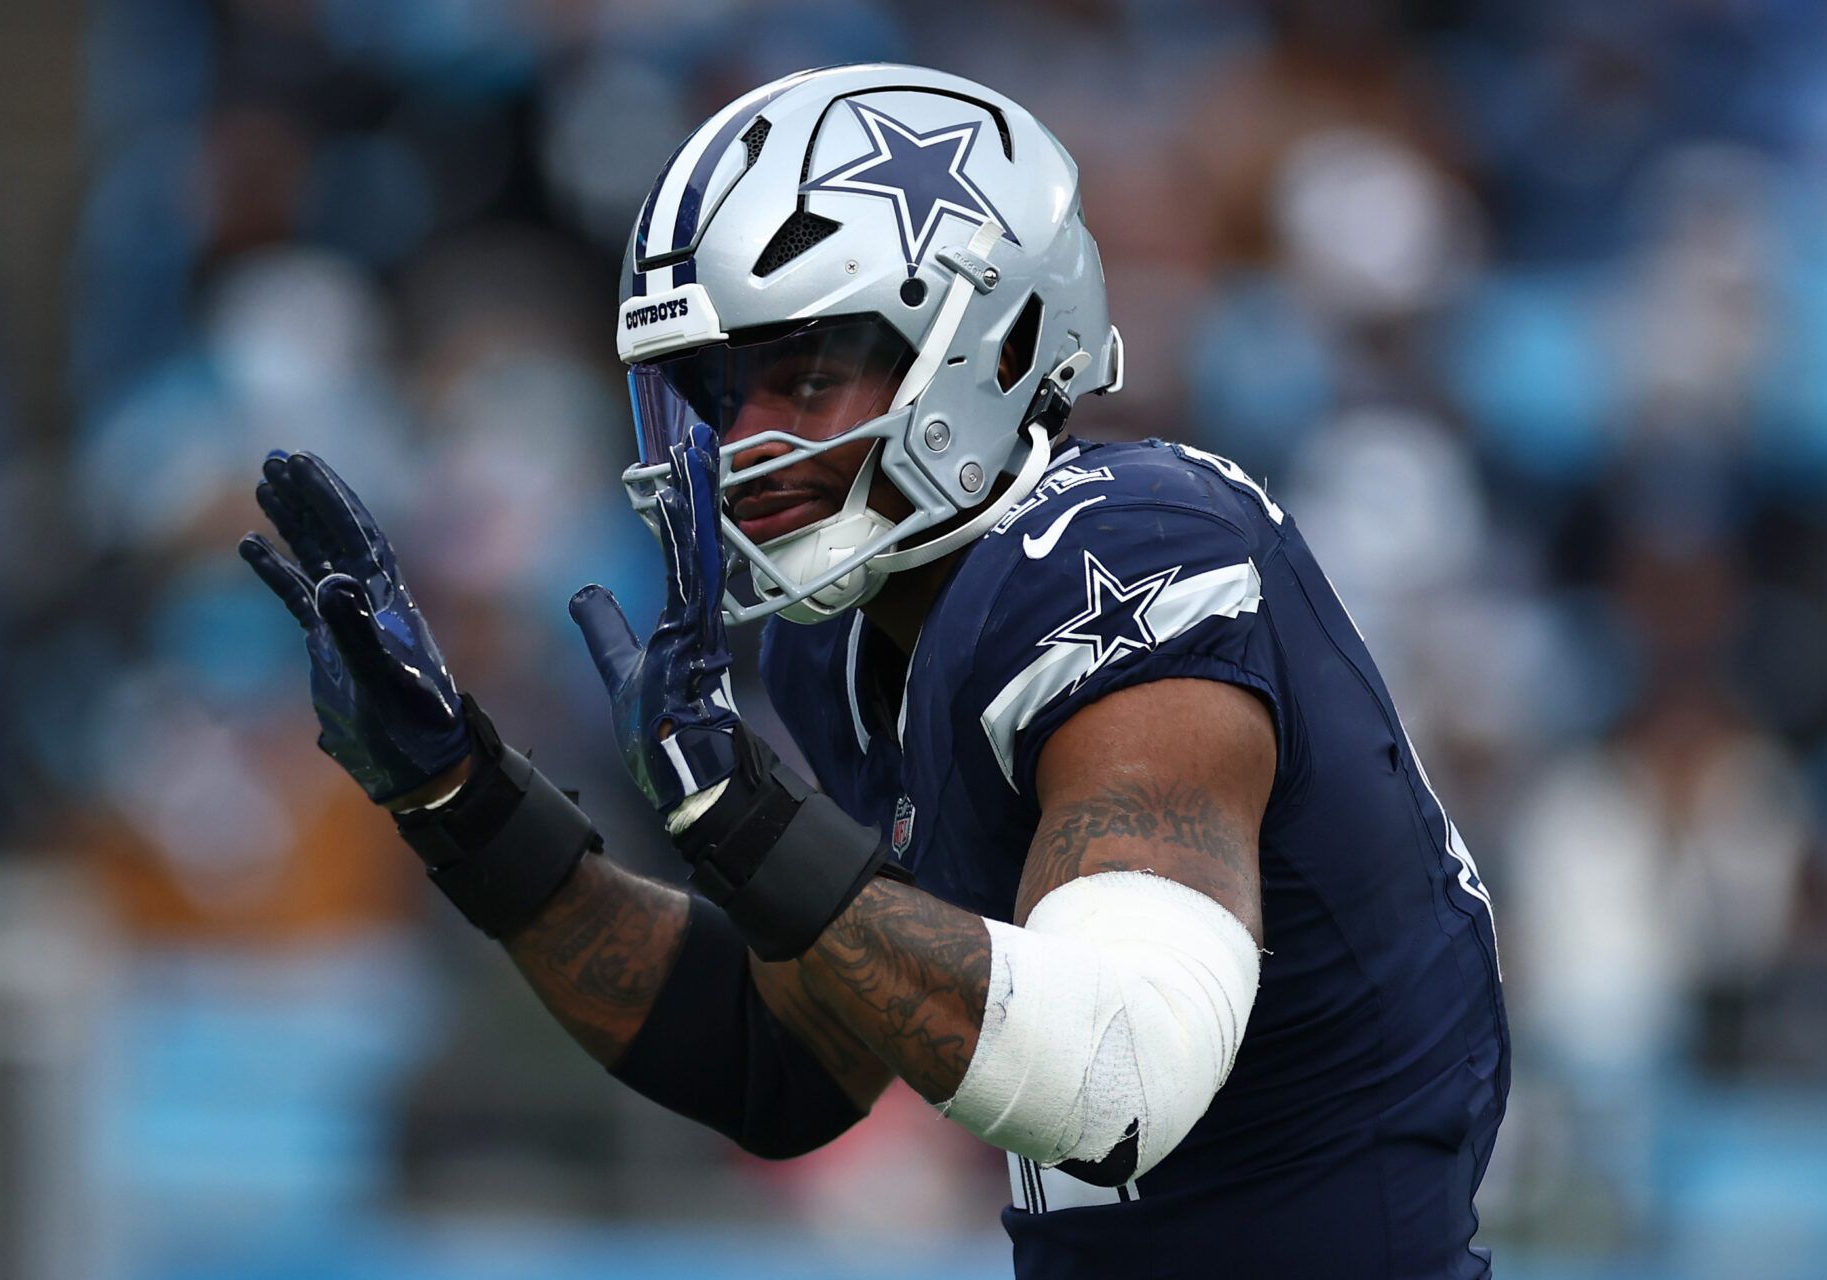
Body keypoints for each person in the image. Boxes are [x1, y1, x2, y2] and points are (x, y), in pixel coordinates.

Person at [241, 64, 1508, 1279]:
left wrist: (743, 818)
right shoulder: (842, 642)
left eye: (804, 372)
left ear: (995, 341)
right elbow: (775, 1058)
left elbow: (1119, 1073)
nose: (743, 440)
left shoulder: (1126, 546)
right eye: (714, 388)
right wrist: (467, 800)